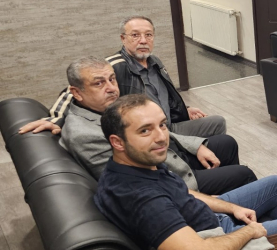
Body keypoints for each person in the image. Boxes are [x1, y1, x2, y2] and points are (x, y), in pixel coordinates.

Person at [93, 94, 277, 250]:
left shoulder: (136, 164)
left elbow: (182, 192)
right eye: (145, 130)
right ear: (118, 142)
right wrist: (250, 232)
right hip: (214, 237)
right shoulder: (142, 198)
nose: (161, 137)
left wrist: (231, 207)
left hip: (205, 218)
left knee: (275, 185)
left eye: (162, 125)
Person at [55, 57, 255, 195]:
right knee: (243, 174)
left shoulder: (107, 107)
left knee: (227, 143)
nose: (111, 88)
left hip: (170, 155)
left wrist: (196, 146)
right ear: (77, 92)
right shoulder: (85, 134)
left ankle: (233, 201)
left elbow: (155, 128)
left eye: (112, 79)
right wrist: (201, 199)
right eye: (99, 83)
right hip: (171, 174)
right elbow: (138, 179)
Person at [23, 16, 226, 139]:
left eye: (148, 35)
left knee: (217, 122)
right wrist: (56, 119)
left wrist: (185, 109)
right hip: (145, 131)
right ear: (123, 38)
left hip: (167, 123)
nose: (143, 40)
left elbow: (164, 95)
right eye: (135, 35)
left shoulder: (155, 61)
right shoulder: (114, 65)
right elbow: (74, 90)